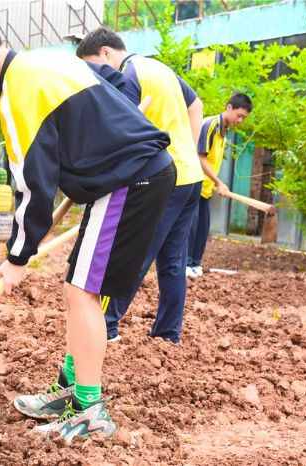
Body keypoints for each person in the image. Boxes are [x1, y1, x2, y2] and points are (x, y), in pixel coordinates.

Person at [0, 13, 176, 443]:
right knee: (81, 286)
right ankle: (71, 389)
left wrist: (16, 258)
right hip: (128, 175)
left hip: (130, 180)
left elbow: (32, 186)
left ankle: (90, 409)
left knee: (82, 291)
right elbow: (111, 80)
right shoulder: (45, 60)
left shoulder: (18, 90)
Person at [77, 27, 204, 345]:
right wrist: (187, 146)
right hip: (189, 176)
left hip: (163, 179)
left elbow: (121, 129)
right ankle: (168, 332)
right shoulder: (157, 67)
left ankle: (106, 324)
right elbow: (196, 105)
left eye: (94, 64)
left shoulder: (129, 75)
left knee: (134, 252)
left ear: (106, 52)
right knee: (173, 260)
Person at [187, 92, 253, 278]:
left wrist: (215, 183)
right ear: (229, 107)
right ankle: (185, 264)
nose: (240, 120)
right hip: (195, 184)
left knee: (202, 227)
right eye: (239, 115)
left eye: (244, 118)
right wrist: (219, 181)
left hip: (207, 188)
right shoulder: (211, 125)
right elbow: (199, 157)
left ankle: (195, 264)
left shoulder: (225, 130)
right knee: (191, 227)